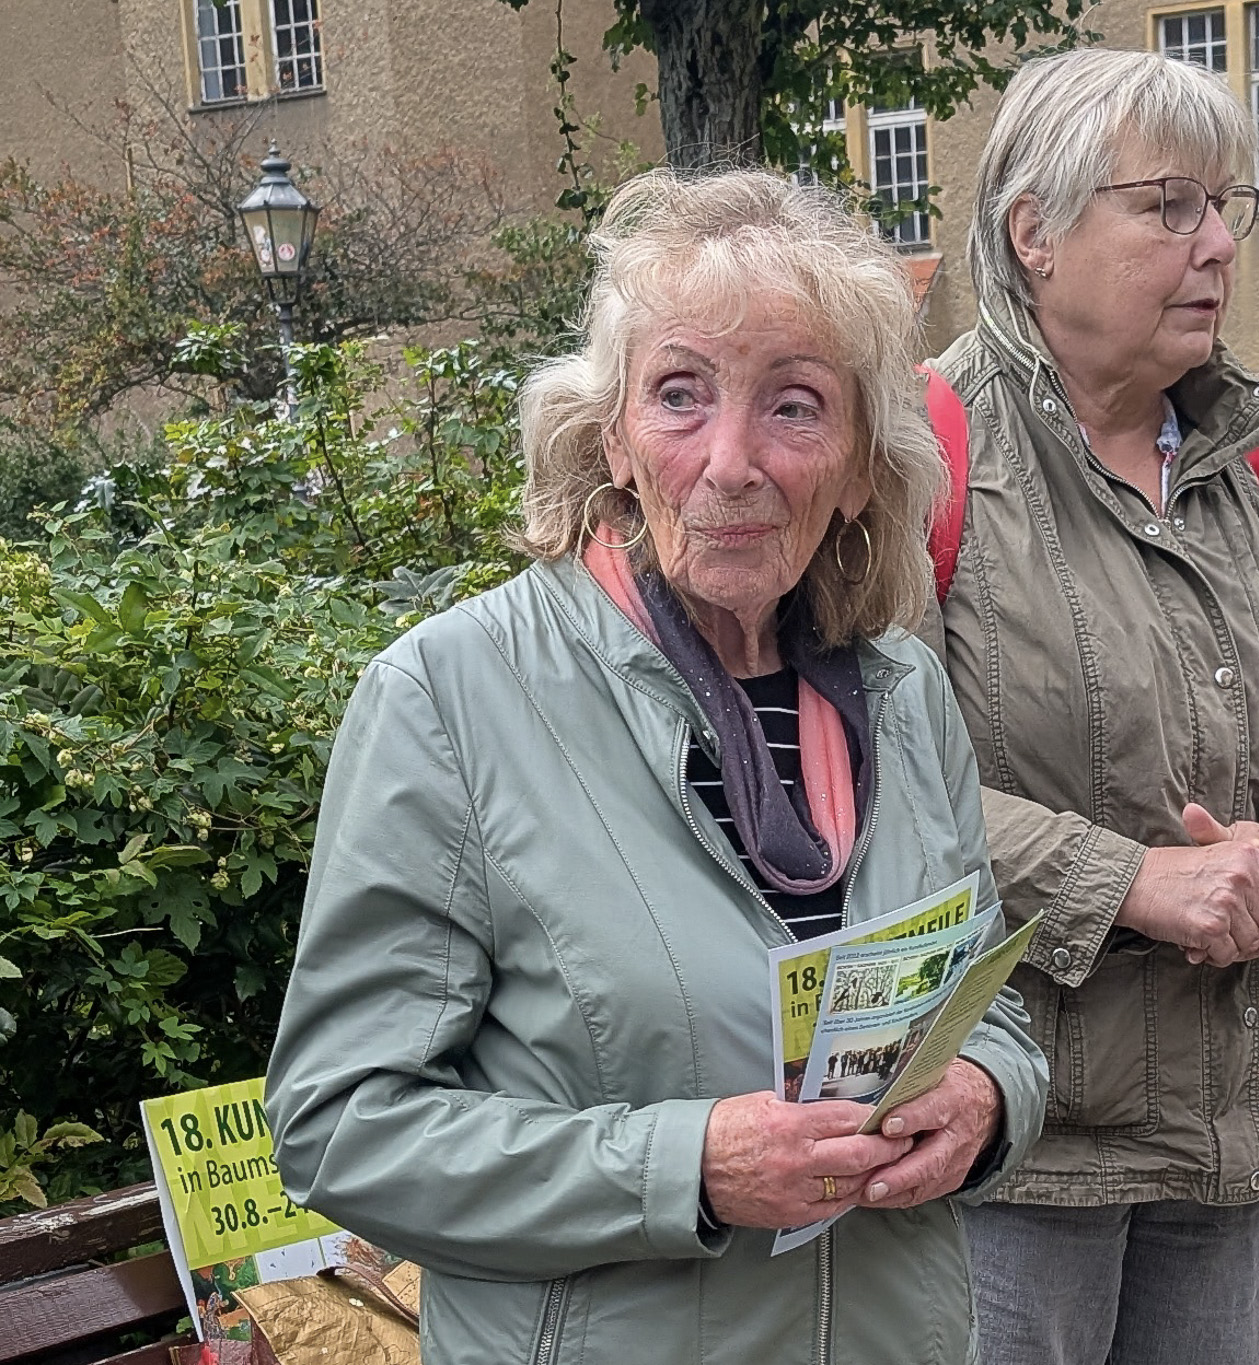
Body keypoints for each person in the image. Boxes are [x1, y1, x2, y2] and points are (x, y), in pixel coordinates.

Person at [265, 169, 1047, 1365]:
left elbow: (989, 1016)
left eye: (794, 407)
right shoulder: (450, 700)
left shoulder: (903, 696)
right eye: (680, 395)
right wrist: (683, 1168)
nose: (730, 462)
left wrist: (988, 1102)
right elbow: (342, 1130)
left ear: (855, 470)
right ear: (613, 439)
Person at [925, 48, 1259, 1365]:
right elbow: (872, 802)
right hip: (1013, 1143)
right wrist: (1137, 884)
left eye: (1227, 205)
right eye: (1168, 206)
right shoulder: (921, 458)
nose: (1219, 245)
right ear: (1036, 236)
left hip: (1224, 1124)